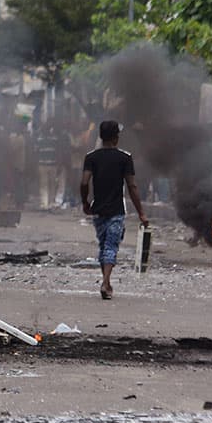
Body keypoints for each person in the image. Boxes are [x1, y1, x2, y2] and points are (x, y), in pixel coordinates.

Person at [80, 120, 148, 300]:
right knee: (111, 246)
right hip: (117, 210)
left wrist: (85, 203)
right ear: (116, 138)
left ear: (101, 137)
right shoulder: (125, 158)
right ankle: (105, 282)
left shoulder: (91, 157)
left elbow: (84, 182)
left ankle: (106, 281)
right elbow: (132, 186)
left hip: (98, 210)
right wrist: (141, 212)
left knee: (104, 246)